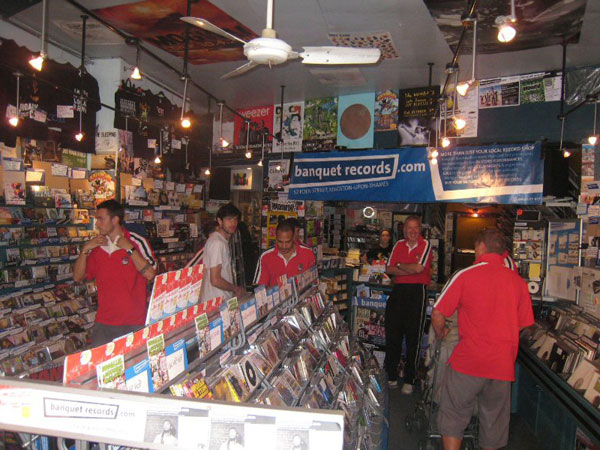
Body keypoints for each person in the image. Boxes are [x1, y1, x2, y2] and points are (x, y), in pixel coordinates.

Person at [431, 228, 534, 450]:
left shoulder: (466, 274)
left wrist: (441, 333)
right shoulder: (518, 283)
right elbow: (526, 324)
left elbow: (438, 313)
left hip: (469, 361)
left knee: (454, 415)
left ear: (480, 247)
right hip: (502, 365)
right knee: (494, 423)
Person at [73, 199, 157, 347]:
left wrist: (129, 249)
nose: (97, 224)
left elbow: (151, 274)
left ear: (115, 220)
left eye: (100, 219)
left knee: (134, 368)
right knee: (99, 368)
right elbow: (78, 277)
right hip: (104, 323)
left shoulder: (136, 241)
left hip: (133, 323)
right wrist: (85, 249)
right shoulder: (97, 248)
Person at [384, 215, 433, 394]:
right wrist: (408, 267)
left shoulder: (425, 245)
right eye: (409, 228)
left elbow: (420, 269)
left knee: (414, 337)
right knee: (393, 335)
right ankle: (391, 375)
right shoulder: (398, 245)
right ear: (404, 230)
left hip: (417, 293)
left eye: (415, 228)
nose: (412, 231)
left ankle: (410, 379)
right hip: (398, 293)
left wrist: (400, 266)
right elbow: (388, 268)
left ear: (420, 229)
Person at [200, 204, 245, 302]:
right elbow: (215, 280)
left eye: (235, 219)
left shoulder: (220, 241)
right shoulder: (217, 243)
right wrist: (235, 288)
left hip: (218, 301)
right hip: (215, 303)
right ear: (220, 221)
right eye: (229, 219)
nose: (233, 223)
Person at [253, 221, 316, 288]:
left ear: (294, 238)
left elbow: (314, 283)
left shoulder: (308, 254)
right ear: (276, 238)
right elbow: (260, 287)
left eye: (288, 242)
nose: (284, 246)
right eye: (280, 242)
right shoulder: (266, 256)